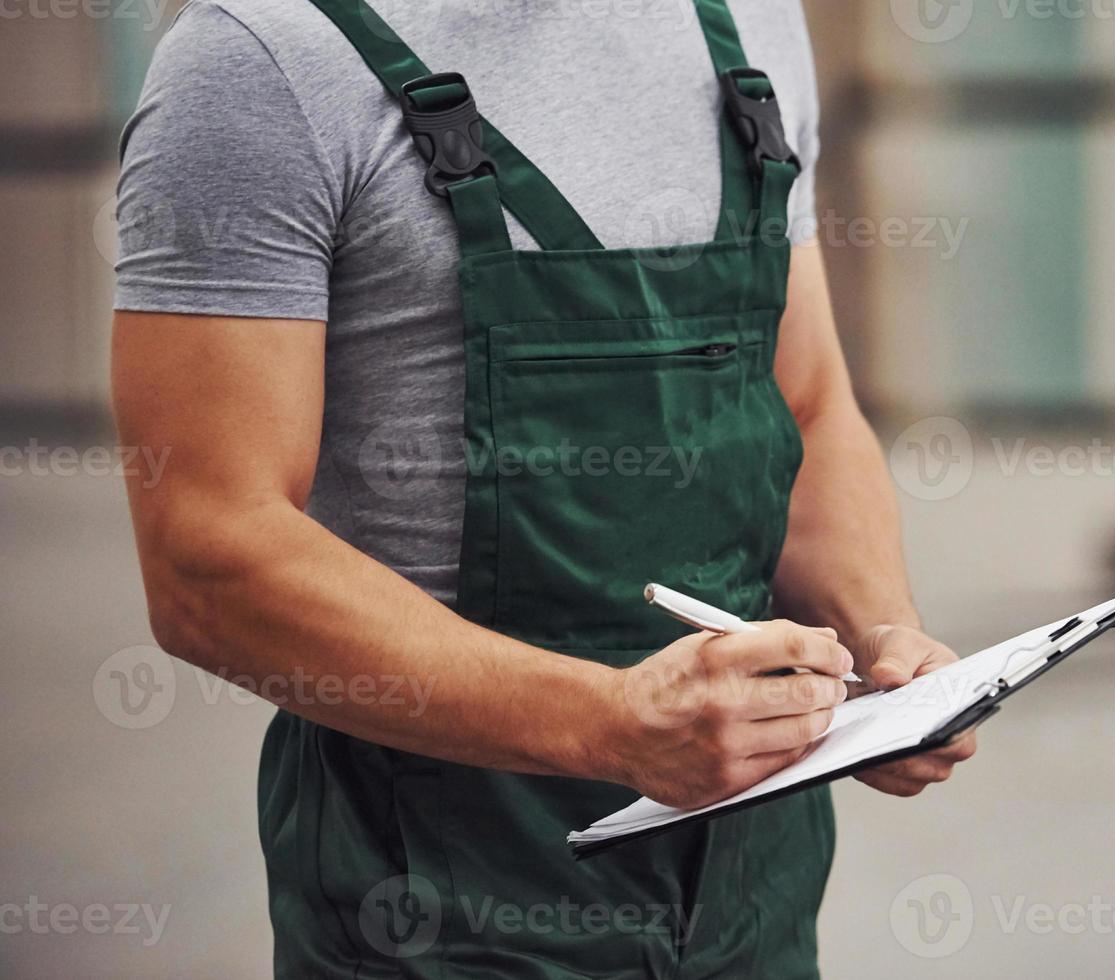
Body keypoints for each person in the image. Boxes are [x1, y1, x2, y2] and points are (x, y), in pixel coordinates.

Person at [111, 0, 976, 975]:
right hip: (438, 897)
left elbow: (805, 405)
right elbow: (207, 551)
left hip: (750, 891)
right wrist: (614, 724)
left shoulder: (745, 25)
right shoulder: (261, 62)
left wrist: (881, 648)